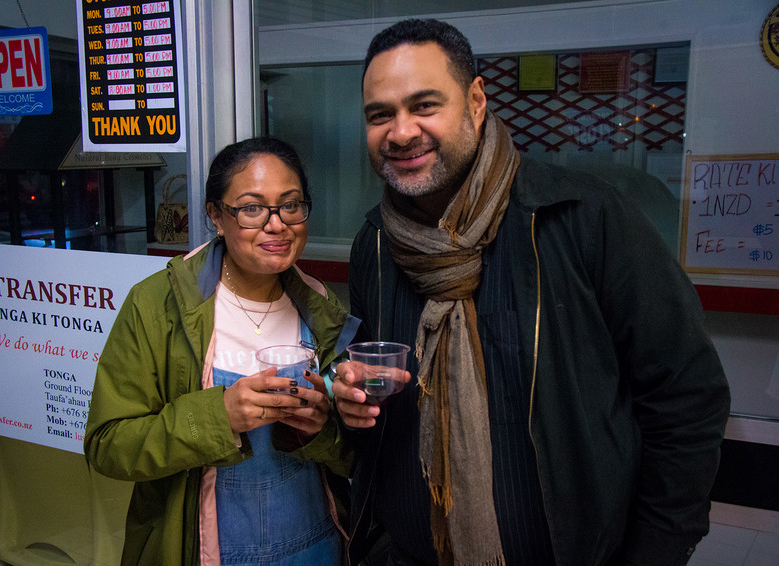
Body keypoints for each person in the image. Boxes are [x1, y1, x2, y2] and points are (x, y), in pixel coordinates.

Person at [332, 18, 730, 566]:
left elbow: (687, 397)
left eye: (424, 105)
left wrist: (655, 550)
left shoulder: (581, 219)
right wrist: (346, 391)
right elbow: (369, 382)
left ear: (475, 101)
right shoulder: (374, 245)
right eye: (381, 115)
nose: (401, 132)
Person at [85, 137, 359, 565]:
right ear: (216, 215)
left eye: (291, 205)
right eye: (252, 208)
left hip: (316, 544)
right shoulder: (158, 305)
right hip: (207, 550)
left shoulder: (321, 306)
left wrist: (320, 430)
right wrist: (219, 417)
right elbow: (108, 445)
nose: (276, 224)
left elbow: (353, 456)